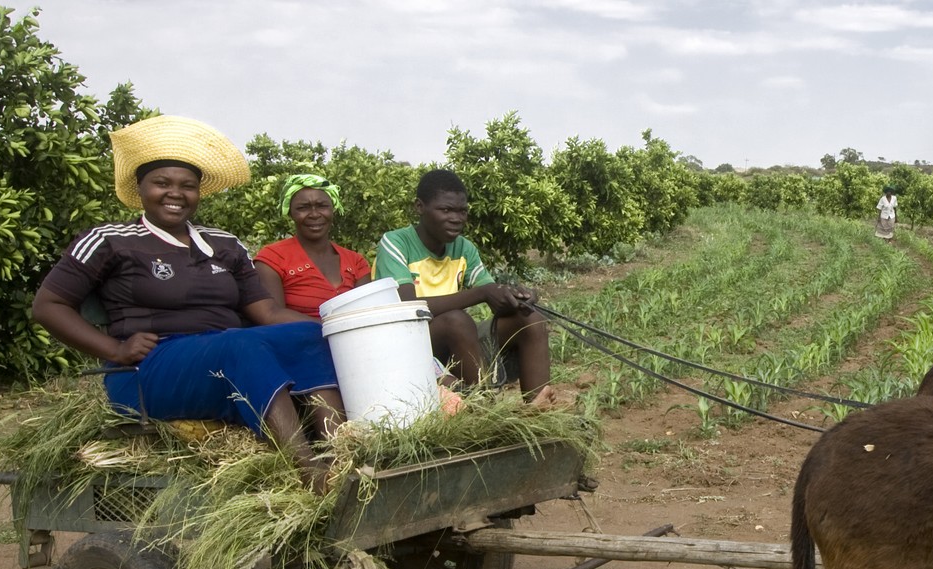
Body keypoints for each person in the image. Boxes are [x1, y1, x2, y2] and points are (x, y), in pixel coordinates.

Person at [30, 115, 344, 485]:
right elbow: (47, 305)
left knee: (308, 336)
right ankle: (311, 474)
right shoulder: (110, 239)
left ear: (199, 193)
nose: (176, 194)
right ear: (140, 187)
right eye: (161, 183)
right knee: (236, 347)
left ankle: (340, 453)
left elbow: (267, 311)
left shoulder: (223, 243)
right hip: (150, 371)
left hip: (224, 359)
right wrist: (114, 350)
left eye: (188, 186)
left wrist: (334, 328)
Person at [374, 169, 552, 402]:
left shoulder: (464, 248)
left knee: (531, 320)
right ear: (419, 207)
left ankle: (539, 408)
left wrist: (518, 298)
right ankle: (484, 409)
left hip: (459, 343)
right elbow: (407, 307)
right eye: (446, 210)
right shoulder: (396, 242)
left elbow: (493, 299)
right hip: (410, 347)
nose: (456, 219)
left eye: (462, 211)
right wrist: (481, 293)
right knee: (455, 320)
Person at [254, 174, 372, 316]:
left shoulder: (356, 262)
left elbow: (366, 315)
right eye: (303, 208)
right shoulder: (273, 258)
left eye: (322, 206)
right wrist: (329, 329)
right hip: (295, 337)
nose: (314, 214)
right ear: (290, 213)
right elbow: (273, 317)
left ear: (333, 209)